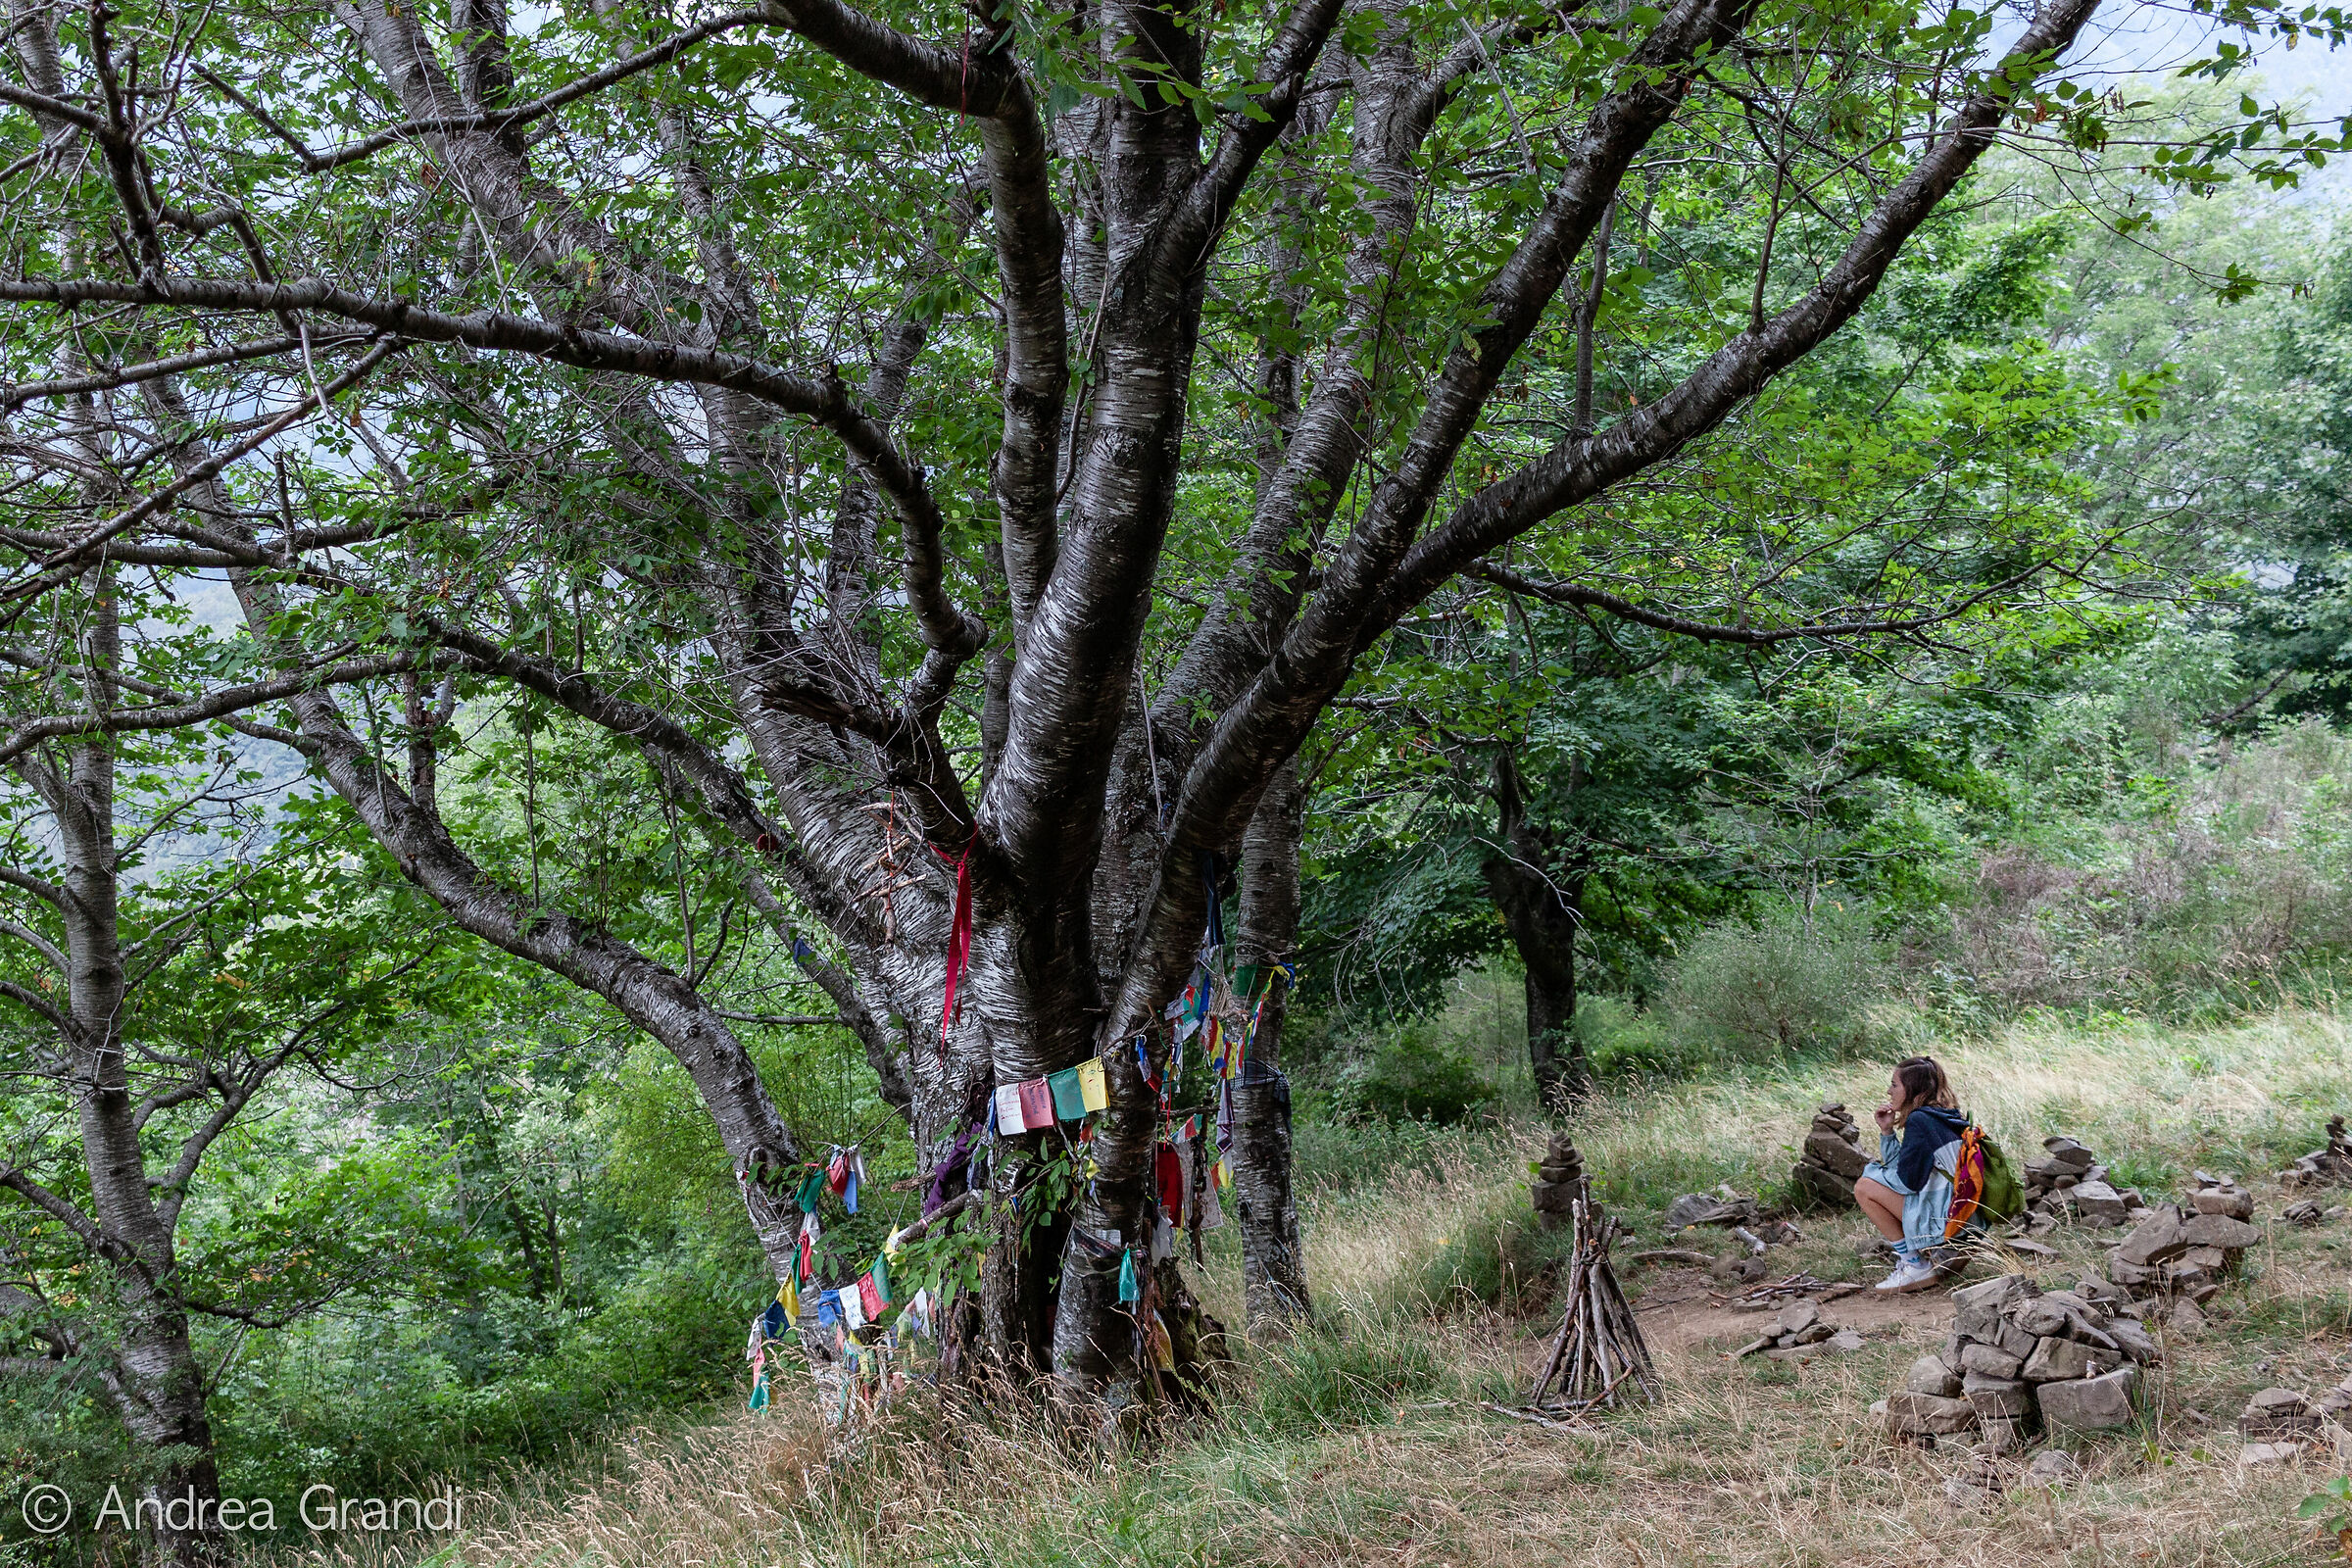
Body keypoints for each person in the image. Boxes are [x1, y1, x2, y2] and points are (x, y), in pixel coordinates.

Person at [1854, 1055, 1973, 1293]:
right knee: (1874, 1181)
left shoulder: (1920, 1121)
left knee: (1864, 1187)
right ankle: (1937, 1254)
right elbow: (1909, 1173)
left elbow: (1906, 1182)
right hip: (1964, 1217)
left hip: (1947, 1221)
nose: (1889, 1091)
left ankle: (1914, 1264)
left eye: (1895, 1085)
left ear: (1913, 1089)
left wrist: (1874, 1172)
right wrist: (1887, 1132)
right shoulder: (1944, 1115)